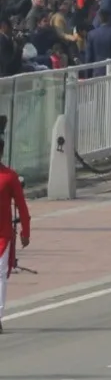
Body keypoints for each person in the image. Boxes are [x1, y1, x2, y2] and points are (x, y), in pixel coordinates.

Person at [0, 125, 31, 334]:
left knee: (1, 274)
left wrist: (25, 232)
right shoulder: (10, 176)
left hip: (3, 235)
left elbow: (21, 206)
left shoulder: (10, 177)